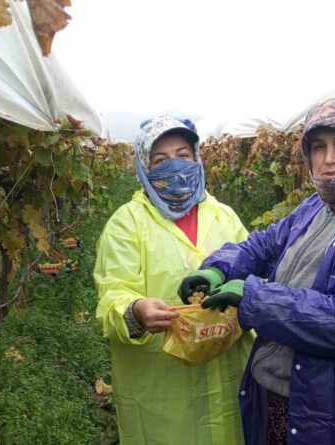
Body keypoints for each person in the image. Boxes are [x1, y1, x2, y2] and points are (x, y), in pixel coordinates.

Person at [178, 98, 335, 444]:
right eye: (318, 147)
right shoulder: (319, 205)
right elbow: (266, 244)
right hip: (292, 397)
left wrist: (255, 296)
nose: (328, 158)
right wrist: (219, 269)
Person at [94, 116, 254, 444]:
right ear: (144, 167)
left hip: (227, 372)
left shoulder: (224, 216)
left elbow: (253, 270)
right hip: (162, 390)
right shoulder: (126, 224)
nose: (175, 166)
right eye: (160, 160)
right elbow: (113, 293)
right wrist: (135, 310)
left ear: (197, 159)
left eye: (183, 155)